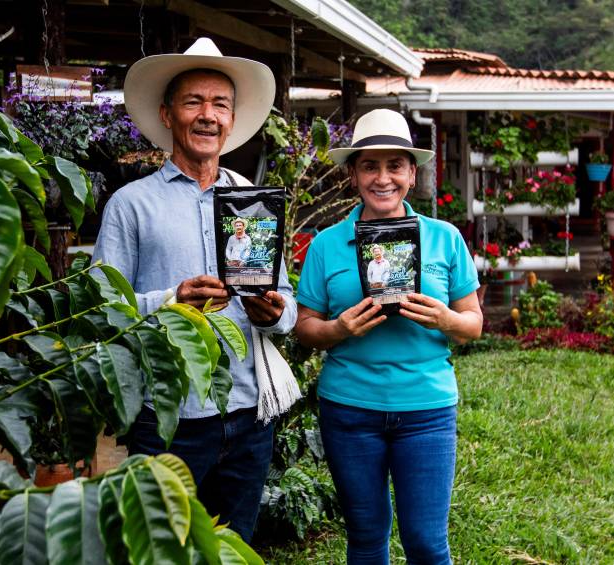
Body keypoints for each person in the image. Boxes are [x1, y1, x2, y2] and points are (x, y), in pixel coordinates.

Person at [92, 37, 296, 542]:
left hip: (249, 417)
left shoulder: (253, 203)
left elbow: (288, 305)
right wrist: (171, 300)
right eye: (194, 102)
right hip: (168, 419)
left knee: (234, 547)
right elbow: (98, 309)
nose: (208, 115)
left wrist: (273, 313)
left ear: (231, 119)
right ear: (167, 114)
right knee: (160, 549)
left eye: (220, 104)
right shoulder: (130, 205)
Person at [294, 108, 483, 564]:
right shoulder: (326, 244)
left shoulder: (444, 238)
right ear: (353, 175)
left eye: (394, 165)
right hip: (350, 410)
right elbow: (304, 327)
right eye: (369, 166)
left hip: (427, 411)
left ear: (412, 174)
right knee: (364, 538)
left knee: (427, 543)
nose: (383, 178)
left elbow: (473, 324)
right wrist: (337, 329)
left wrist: (445, 319)